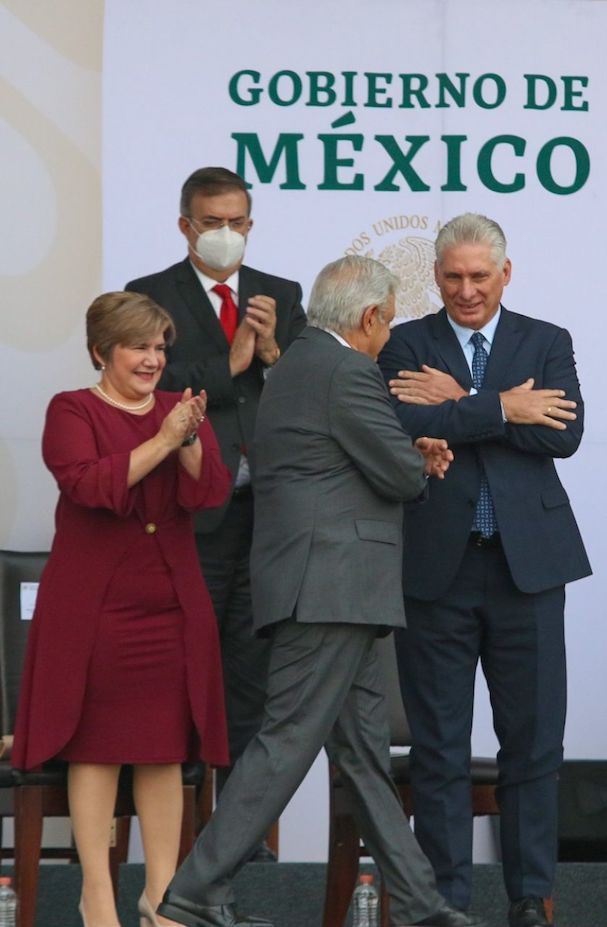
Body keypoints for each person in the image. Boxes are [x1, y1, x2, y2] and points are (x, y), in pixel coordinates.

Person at [156, 256, 473, 927]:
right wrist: (415, 457)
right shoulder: (349, 369)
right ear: (366, 318)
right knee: (287, 739)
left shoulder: (299, 362)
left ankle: (418, 903)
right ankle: (194, 889)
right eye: (386, 322)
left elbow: (342, 456)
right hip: (333, 585)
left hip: (322, 584)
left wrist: (403, 452)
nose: (388, 336)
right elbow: (397, 474)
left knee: (362, 756)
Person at [377, 212, 592, 927]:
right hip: (436, 570)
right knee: (439, 744)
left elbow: (562, 432)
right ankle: (444, 901)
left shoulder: (546, 339)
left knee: (533, 742)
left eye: (479, 275)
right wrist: (504, 406)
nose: (467, 290)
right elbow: (403, 427)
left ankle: (531, 896)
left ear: (506, 272)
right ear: (434, 276)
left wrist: (460, 407)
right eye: (453, 276)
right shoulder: (406, 342)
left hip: (527, 569)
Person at [12, 291, 231, 927]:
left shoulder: (179, 410)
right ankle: (97, 895)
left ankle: (163, 896)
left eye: (160, 347)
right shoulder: (71, 409)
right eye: (139, 346)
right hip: (97, 606)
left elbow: (210, 491)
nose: (153, 359)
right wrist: (165, 439)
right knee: (98, 749)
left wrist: (187, 439)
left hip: (171, 602)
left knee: (164, 750)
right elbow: (89, 486)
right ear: (101, 351)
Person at [125, 168, 306, 817]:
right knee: (182, 672)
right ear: (186, 226)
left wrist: (277, 351)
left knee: (250, 678)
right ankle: (179, 839)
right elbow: (143, 391)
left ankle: (240, 833)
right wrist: (227, 367)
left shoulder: (280, 293)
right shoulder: (149, 295)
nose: (226, 235)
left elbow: (308, 393)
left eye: (238, 222)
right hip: (190, 514)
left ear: (251, 225)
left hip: (268, 516)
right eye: (213, 223)